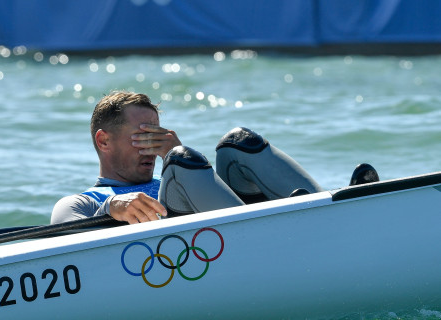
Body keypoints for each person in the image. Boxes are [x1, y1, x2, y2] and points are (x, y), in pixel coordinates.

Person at [51, 91, 374, 225]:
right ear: (104, 141)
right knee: (182, 161)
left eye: (157, 136)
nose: (151, 147)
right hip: (190, 255)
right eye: (141, 137)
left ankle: (335, 215)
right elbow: (65, 239)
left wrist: (173, 156)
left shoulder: (175, 169)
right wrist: (112, 208)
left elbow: (186, 164)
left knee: (239, 142)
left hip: (233, 226)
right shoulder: (82, 203)